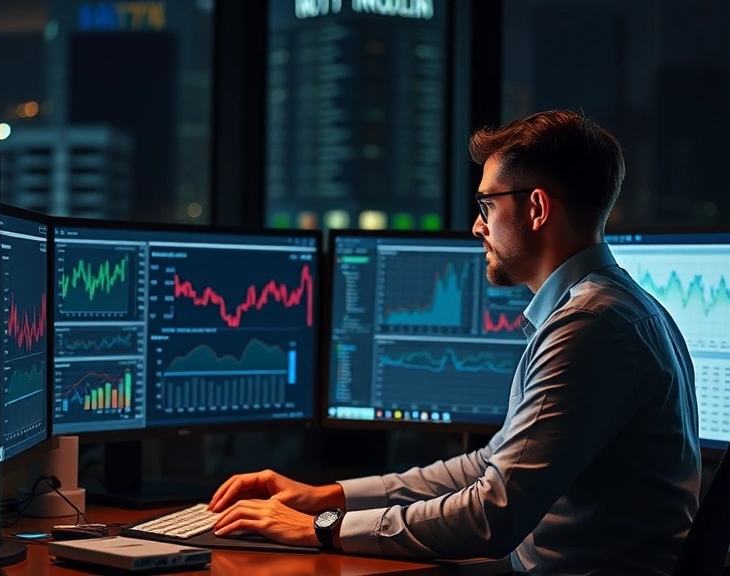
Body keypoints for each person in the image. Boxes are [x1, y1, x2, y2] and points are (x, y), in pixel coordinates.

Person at [207, 109, 701, 575]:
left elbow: (492, 514)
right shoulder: (619, 307)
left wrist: (323, 529)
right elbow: (491, 464)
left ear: (536, 207)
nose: (477, 226)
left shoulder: (589, 326)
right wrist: (329, 497)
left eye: (488, 204)